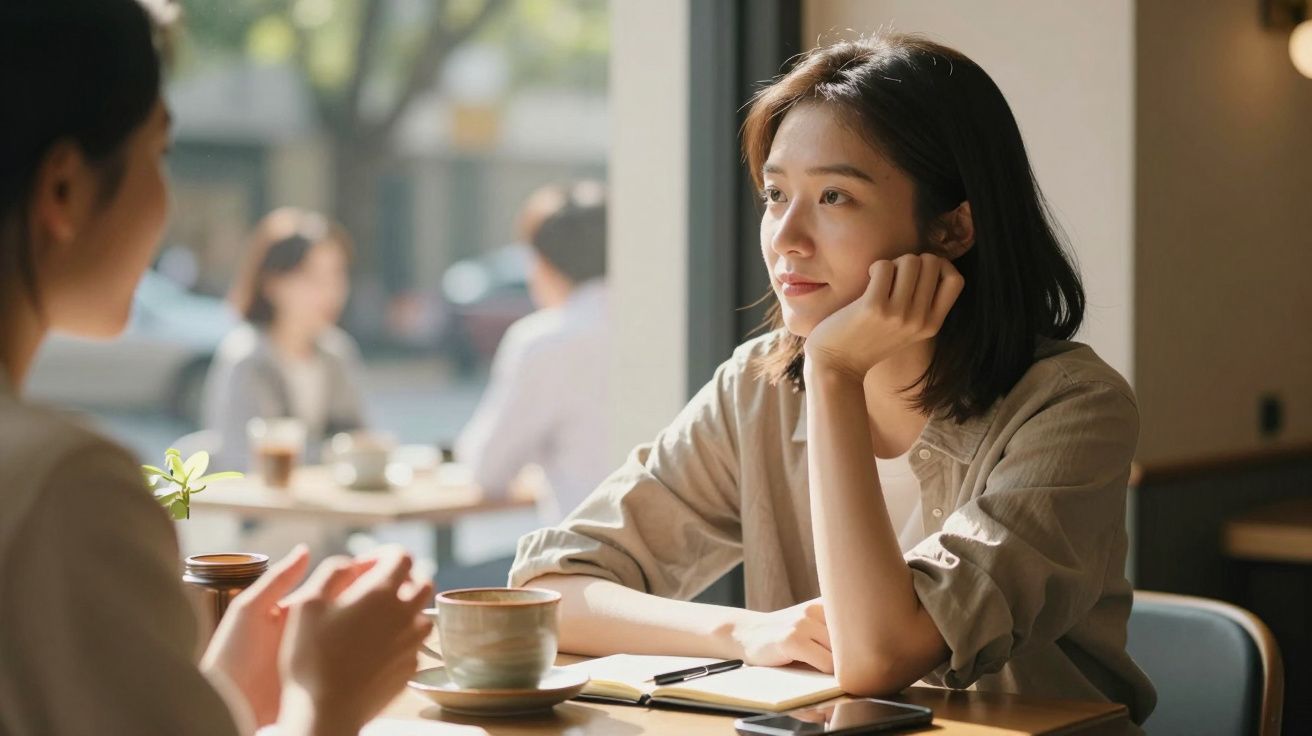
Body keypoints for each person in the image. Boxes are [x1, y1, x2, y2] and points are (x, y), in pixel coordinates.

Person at [509, 34, 1157, 729]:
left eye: (835, 196)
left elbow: (879, 654)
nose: (787, 236)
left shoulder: (1071, 408)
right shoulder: (755, 391)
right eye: (775, 194)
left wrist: (836, 372)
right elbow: (551, 591)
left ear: (951, 229)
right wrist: (742, 633)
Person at [0, 2, 431, 734]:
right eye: (160, 155)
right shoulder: (64, 488)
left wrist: (214, 687)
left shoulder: (333, 354)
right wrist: (327, 699)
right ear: (64, 190)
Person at [456, 181, 609, 524]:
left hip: (587, 559)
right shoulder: (663, 325)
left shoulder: (545, 340)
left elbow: (486, 471)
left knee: (448, 576)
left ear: (543, 263)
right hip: (683, 565)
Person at [204, 207, 368, 473]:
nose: (331, 291)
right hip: (265, 510)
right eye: (313, 277)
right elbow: (245, 459)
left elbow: (361, 443)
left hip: (330, 510)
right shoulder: (248, 357)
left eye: (338, 274)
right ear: (272, 283)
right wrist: (334, 457)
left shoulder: (337, 352)